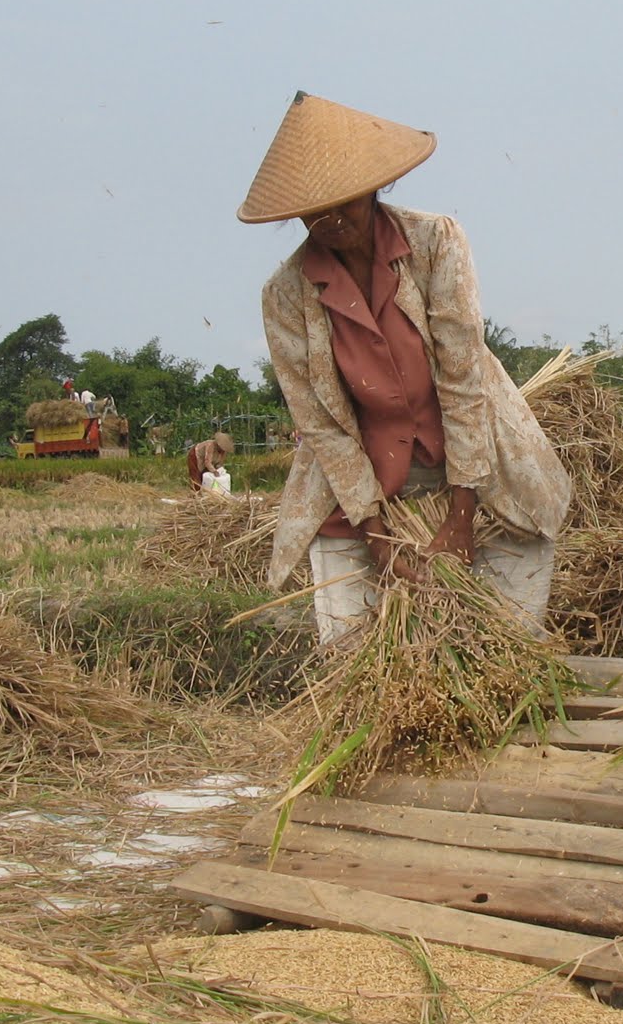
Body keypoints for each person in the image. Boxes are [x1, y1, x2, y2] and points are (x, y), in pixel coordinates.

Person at [241, 91, 571, 643]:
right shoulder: (284, 296)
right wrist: (378, 539)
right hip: (364, 480)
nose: (330, 219)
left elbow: (463, 382)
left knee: (502, 642)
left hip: (475, 461)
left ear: (373, 189)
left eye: (343, 200)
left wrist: (460, 518)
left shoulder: (434, 242)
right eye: (312, 210)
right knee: (354, 651)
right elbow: (323, 427)